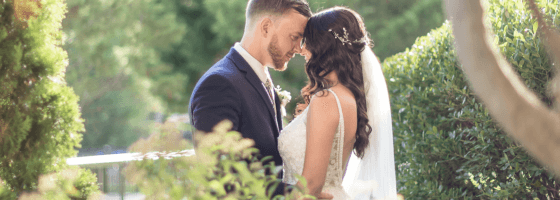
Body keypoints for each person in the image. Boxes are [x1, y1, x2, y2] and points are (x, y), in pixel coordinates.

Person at [189, 0, 332, 198]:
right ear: (266, 27)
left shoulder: (261, 81)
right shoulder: (219, 85)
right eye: (294, 37)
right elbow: (221, 180)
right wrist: (299, 195)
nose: (299, 49)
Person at [278, 6, 398, 200]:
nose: (301, 49)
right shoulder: (348, 97)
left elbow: (311, 185)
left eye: (307, 41)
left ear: (323, 47)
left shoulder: (326, 100)